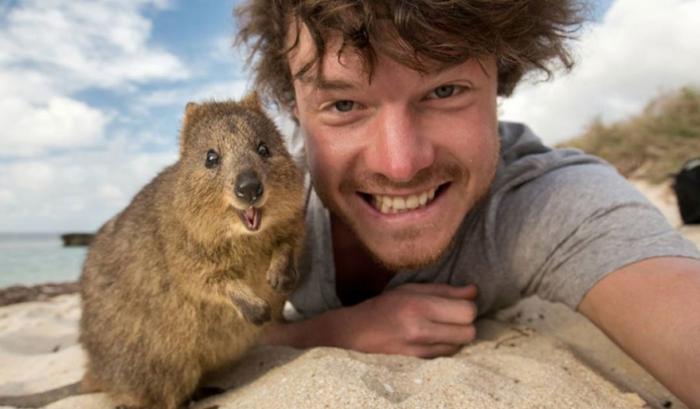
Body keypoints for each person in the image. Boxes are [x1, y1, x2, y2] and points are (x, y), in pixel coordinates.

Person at [234, 1, 700, 406]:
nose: (400, 166)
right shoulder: (257, 209)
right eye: (343, 105)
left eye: (444, 91)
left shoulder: (546, 201)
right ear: (294, 106)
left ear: (500, 77)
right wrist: (327, 333)